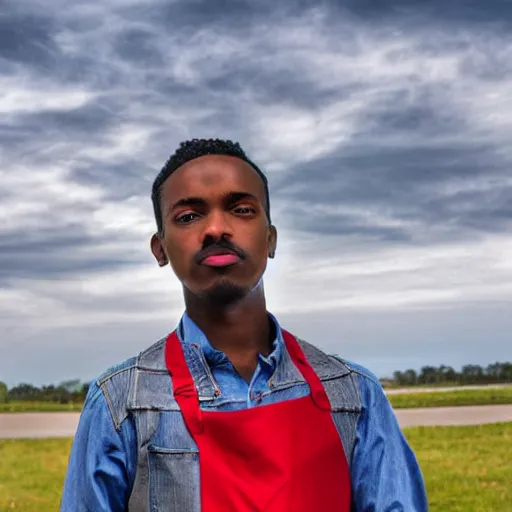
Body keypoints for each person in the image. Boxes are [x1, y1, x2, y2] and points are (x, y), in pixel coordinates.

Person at [61, 138, 428, 511]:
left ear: (270, 238)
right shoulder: (120, 403)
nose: (217, 228)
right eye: (188, 216)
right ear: (160, 249)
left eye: (241, 209)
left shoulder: (354, 396)